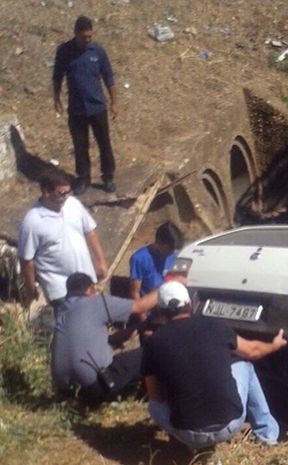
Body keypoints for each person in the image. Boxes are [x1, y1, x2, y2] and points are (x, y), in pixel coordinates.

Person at [142, 281, 287, 451]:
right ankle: (267, 435)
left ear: (160, 310)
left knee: (154, 406)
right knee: (244, 365)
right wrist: (274, 345)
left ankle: (186, 444)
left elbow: (155, 396)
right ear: (190, 303)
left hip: (187, 433)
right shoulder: (215, 326)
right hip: (229, 425)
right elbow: (252, 351)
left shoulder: (153, 343)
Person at [51, 272, 160, 403]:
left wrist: (144, 325)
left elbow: (109, 340)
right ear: (91, 289)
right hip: (95, 386)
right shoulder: (94, 302)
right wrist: (169, 285)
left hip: (65, 390)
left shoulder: (62, 310)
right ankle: (154, 396)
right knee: (150, 352)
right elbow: (140, 306)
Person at [18, 170, 108, 312]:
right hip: (60, 289)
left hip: (86, 281)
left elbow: (89, 230)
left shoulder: (73, 204)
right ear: (46, 192)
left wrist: (101, 262)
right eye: (61, 194)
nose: (66, 197)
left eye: (68, 192)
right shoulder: (32, 221)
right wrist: (30, 289)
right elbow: (26, 260)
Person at [53, 15, 118, 195]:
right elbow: (57, 76)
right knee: (80, 146)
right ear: (76, 34)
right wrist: (56, 98)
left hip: (97, 107)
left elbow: (109, 78)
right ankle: (83, 179)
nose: (87, 40)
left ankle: (108, 176)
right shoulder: (64, 51)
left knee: (104, 143)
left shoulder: (97, 52)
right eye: (84, 37)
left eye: (90, 36)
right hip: (77, 109)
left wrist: (114, 102)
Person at [129, 221, 184, 299]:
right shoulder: (139, 259)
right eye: (168, 249)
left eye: (173, 250)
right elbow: (134, 293)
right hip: (149, 304)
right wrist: (142, 310)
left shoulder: (171, 256)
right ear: (158, 242)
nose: (171, 253)